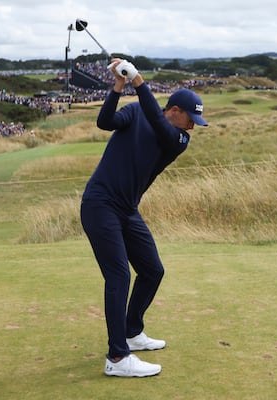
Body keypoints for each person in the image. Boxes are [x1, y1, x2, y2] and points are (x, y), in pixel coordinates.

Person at [80, 58, 208, 378]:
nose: (192, 126)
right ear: (175, 110)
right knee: (119, 276)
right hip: (100, 204)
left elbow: (156, 118)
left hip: (127, 210)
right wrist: (119, 86)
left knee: (152, 270)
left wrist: (138, 81)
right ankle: (117, 357)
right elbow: (105, 122)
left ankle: (132, 332)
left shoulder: (177, 140)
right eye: (189, 118)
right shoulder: (136, 112)